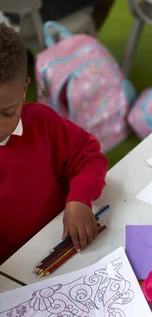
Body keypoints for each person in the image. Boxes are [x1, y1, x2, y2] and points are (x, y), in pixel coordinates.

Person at [0, 23, 108, 265]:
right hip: (14, 270)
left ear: (24, 90)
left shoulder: (41, 121)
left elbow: (88, 156)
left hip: (65, 243)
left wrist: (79, 198)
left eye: (6, 112)